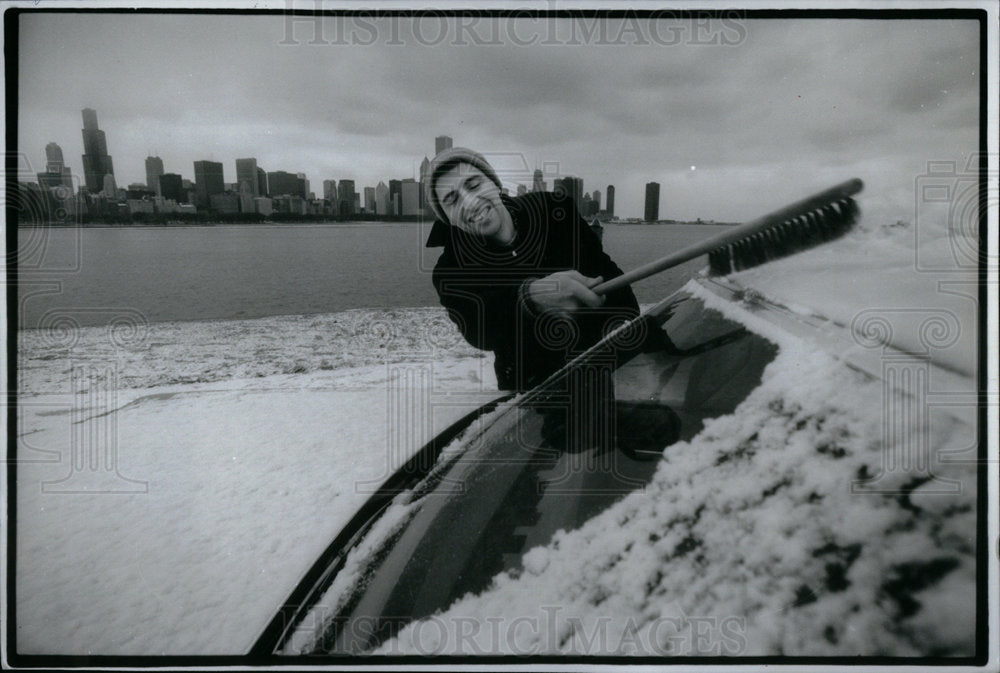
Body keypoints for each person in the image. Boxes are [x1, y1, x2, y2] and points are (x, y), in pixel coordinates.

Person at [425, 147, 641, 393]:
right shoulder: (450, 270)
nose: (470, 203)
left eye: (474, 185)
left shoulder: (556, 211)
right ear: (447, 218)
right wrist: (530, 297)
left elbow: (612, 280)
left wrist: (630, 333)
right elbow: (479, 329)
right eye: (452, 200)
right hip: (535, 391)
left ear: (495, 184)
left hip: (607, 362)